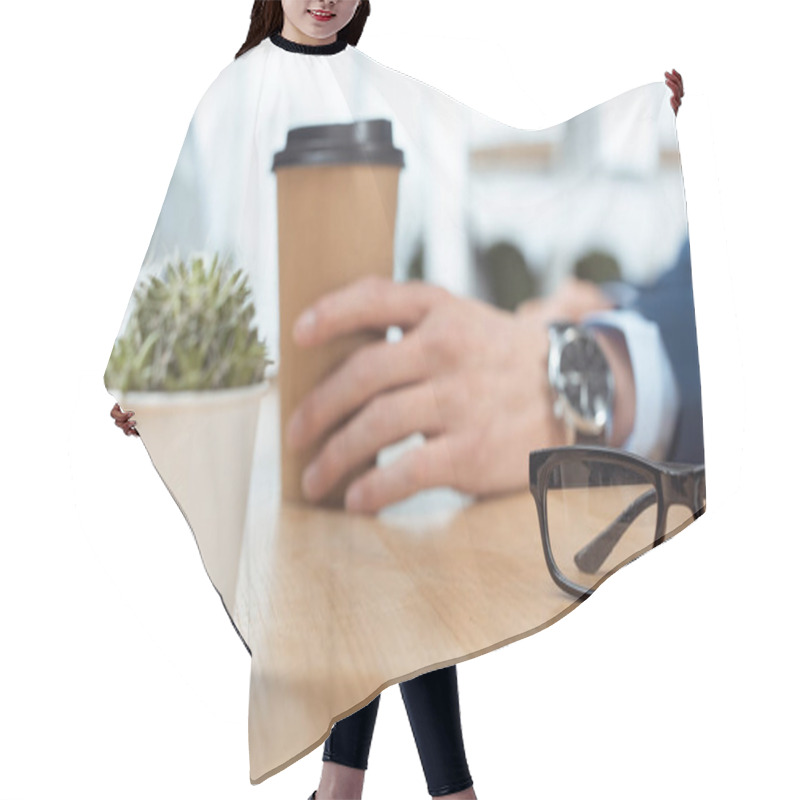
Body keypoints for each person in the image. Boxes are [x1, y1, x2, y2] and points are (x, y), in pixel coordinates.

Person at [109, 3, 687, 798]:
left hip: (361, 379)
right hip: (275, 398)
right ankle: (419, 789)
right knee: (369, 582)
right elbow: (195, 231)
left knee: (392, 574)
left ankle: (357, 788)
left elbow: (481, 154)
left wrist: (639, 120)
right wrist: (153, 373)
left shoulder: (378, 86)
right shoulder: (233, 92)